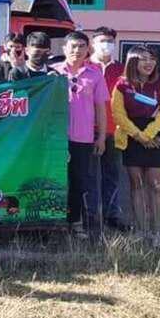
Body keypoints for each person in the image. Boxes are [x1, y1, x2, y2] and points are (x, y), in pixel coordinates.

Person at [111, 46, 160, 246]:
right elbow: (118, 114)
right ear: (133, 61)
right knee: (137, 185)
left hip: (158, 135)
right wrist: (139, 136)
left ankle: (157, 235)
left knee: (157, 186)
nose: (149, 63)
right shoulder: (121, 85)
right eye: (143, 59)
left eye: (152, 59)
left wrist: (149, 134)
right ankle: (141, 231)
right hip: (132, 135)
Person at [52, 31, 109, 239]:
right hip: (56, 139)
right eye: (73, 46)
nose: (77, 50)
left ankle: (76, 223)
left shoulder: (95, 75)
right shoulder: (53, 73)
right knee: (56, 180)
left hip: (83, 138)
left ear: (88, 50)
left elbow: (101, 108)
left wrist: (101, 137)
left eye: (81, 46)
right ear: (64, 48)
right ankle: (54, 222)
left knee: (78, 181)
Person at [90, 26, 128, 231]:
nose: (106, 45)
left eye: (110, 41)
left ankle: (111, 215)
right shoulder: (85, 66)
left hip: (114, 130)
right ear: (93, 43)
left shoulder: (123, 70)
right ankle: (89, 215)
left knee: (112, 175)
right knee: (88, 174)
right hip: (87, 129)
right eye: (102, 41)